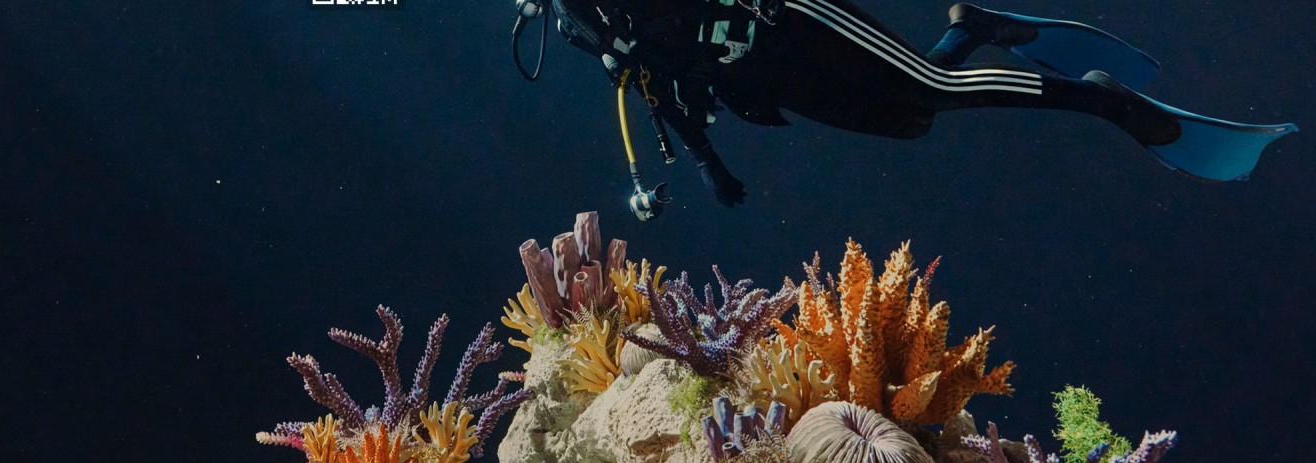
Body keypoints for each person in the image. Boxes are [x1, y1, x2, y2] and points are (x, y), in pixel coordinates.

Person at [513, 1, 1298, 212]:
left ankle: (1102, 101)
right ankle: (975, 28)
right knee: (911, 115)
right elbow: (644, 79)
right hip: (763, 77)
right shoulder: (578, 16)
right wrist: (709, 163)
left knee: (931, 91)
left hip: (790, 20)